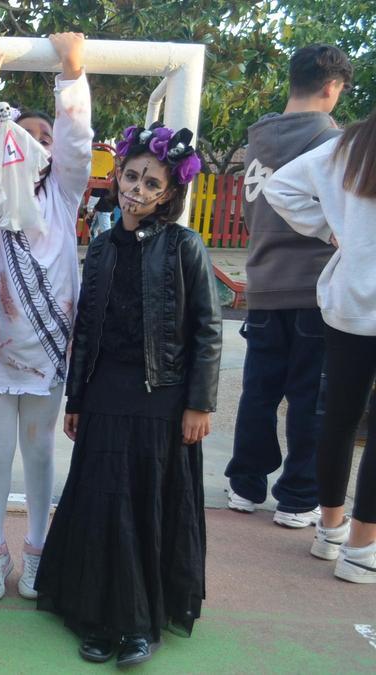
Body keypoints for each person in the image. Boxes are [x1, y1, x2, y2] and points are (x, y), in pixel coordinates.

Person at [36, 123, 222, 667]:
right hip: (104, 396)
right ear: (117, 176)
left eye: (151, 181)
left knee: (144, 507)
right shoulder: (102, 246)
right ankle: (97, 616)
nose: (137, 188)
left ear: (168, 193)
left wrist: (200, 402)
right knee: (102, 505)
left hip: (161, 402)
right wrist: (75, 400)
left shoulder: (186, 246)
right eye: (131, 176)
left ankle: (138, 624)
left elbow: (207, 328)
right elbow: (87, 329)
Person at [0, 34, 91, 603]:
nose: (38, 147)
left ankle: (40, 549)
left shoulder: (65, 196)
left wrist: (71, 73)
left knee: (39, 449)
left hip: (47, 345)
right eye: (27, 138)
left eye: (48, 138)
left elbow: (78, 145)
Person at [225, 44, 353, 529]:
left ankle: (244, 484)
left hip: (262, 282)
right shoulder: (332, 142)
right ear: (331, 86)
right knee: (308, 395)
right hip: (313, 286)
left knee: (259, 390)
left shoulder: (260, 137)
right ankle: (298, 498)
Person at [264, 108, 376, 583]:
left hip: (350, 298)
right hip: (351, 296)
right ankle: (363, 546)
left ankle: (331, 530)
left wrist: (331, 228)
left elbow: (278, 188)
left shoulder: (346, 147)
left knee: (339, 416)